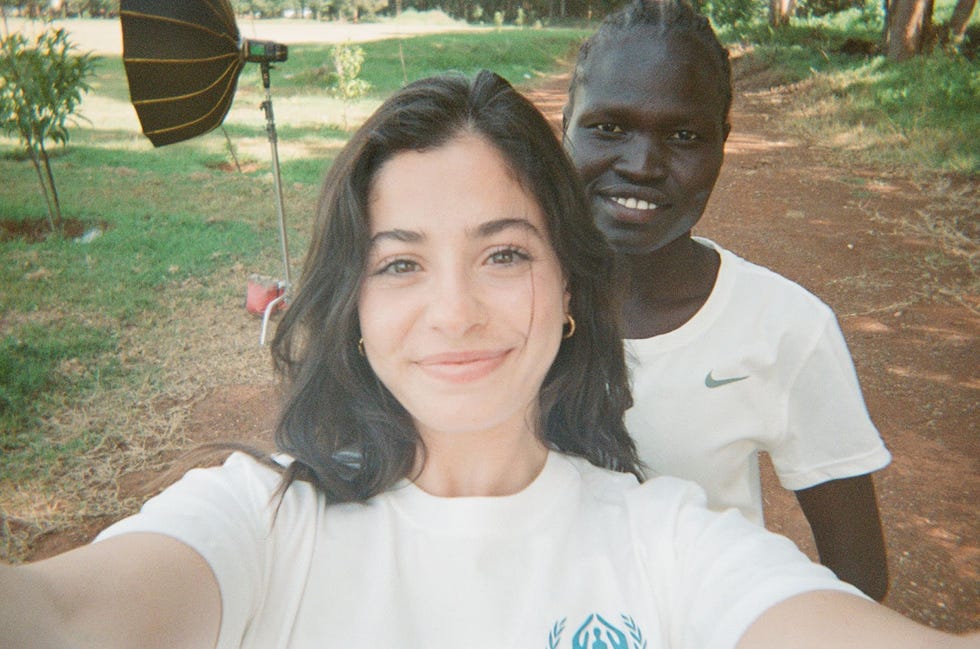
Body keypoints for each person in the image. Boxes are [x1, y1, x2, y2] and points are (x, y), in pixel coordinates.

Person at [1, 71, 974, 649]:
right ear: (352, 310)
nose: (454, 309)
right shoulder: (256, 522)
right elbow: (61, 614)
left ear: (565, 296)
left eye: (503, 252)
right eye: (400, 262)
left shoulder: (669, 541)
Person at [562, 0, 893, 600]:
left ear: (721, 146)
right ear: (566, 122)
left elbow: (859, 580)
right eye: (609, 127)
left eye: (684, 136)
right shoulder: (504, 303)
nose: (641, 166)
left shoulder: (786, 328)